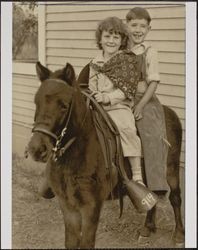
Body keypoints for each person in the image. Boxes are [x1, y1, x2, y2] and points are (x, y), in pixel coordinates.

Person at [88, 16, 145, 186]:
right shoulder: (95, 62)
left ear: (122, 41)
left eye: (116, 37)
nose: (111, 41)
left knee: (127, 128)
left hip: (118, 106)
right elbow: (92, 84)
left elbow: (127, 88)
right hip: (98, 106)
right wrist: (95, 95)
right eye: (107, 36)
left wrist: (108, 98)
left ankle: (137, 175)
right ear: (100, 38)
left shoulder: (126, 60)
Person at [126, 7, 169, 195]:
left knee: (151, 134)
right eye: (134, 25)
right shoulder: (121, 49)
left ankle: (156, 184)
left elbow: (153, 83)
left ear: (148, 29)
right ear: (126, 25)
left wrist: (141, 105)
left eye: (142, 26)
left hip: (145, 98)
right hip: (120, 97)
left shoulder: (149, 51)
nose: (138, 30)